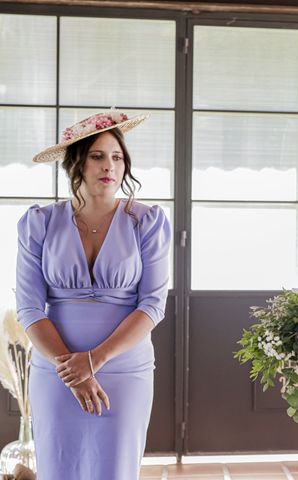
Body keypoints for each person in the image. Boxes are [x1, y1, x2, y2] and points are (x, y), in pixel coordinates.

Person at [15, 110, 171, 479]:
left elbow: (153, 304)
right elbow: (29, 307)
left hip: (124, 369)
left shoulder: (146, 221)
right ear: (77, 164)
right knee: (59, 465)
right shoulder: (39, 222)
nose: (110, 166)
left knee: (115, 468)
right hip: (57, 371)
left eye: (117, 157)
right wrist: (74, 370)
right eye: (98, 156)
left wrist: (94, 361)